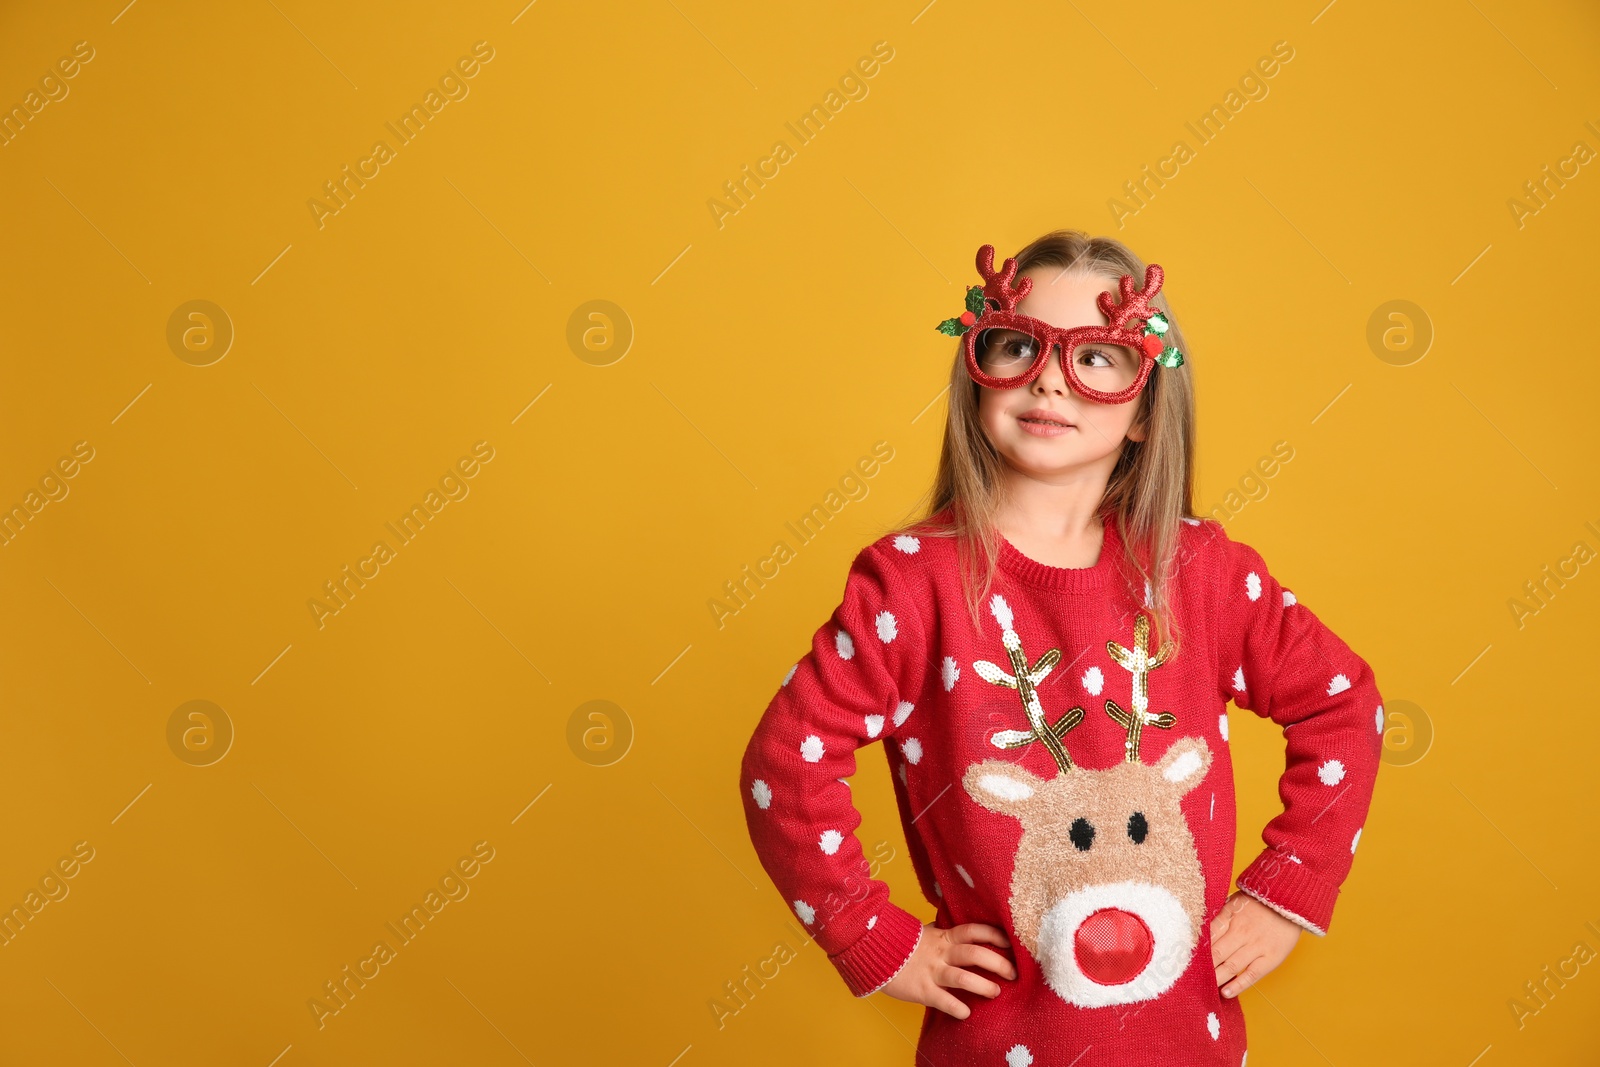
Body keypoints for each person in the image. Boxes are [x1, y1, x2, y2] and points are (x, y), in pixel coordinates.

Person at [738, 229, 1384, 1065]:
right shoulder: (912, 583)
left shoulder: (1204, 572)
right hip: (993, 1047)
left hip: (1188, 1046)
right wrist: (875, 935)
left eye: (1100, 357)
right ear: (978, 374)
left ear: (1149, 407)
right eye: (1018, 345)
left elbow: (1344, 703)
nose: (1049, 376)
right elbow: (784, 763)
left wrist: (1289, 889)